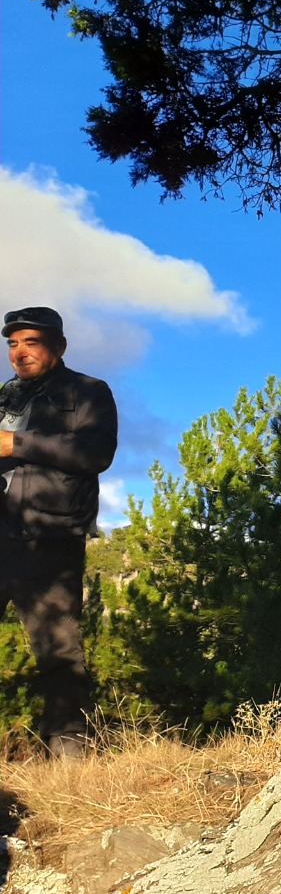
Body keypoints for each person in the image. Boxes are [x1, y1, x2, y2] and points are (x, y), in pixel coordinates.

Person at [0, 307, 117, 757]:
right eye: (12, 344)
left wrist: (18, 444)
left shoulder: (87, 391)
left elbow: (96, 452)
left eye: (31, 342)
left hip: (50, 538)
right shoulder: (5, 396)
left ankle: (71, 767)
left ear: (59, 346)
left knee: (59, 653)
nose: (19, 352)